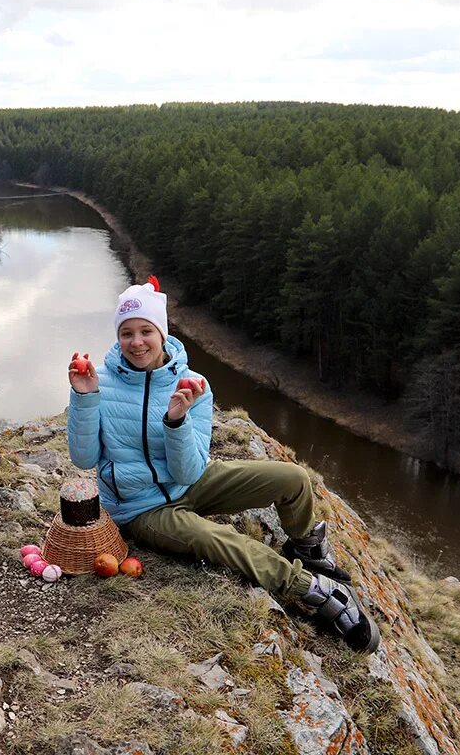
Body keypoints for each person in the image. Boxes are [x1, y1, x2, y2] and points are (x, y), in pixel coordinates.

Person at [66, 277, 379, 654]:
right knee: (215, 539)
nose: (136, 343)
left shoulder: (193, 384)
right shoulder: (101, 381)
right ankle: (309, 590)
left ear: (162, 333)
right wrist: (84, 398)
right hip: (139, 507)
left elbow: (188, 472)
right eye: (127, 333)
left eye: (146, 331)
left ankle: (306, 548)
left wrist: (176, 421)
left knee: (293, 479)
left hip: (190, 481)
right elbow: (83, 459)